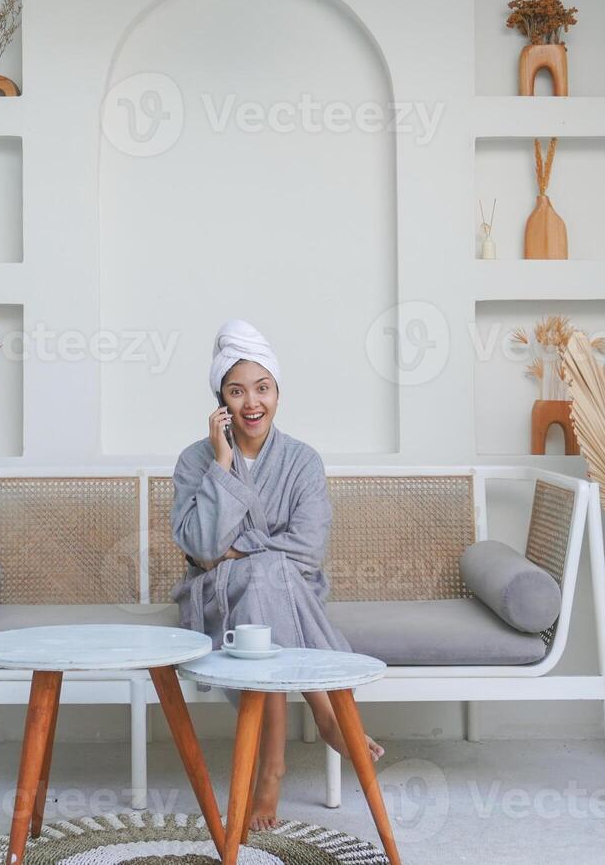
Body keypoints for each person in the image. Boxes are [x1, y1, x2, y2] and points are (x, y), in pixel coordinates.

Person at [170, 319, 385, 831]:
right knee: (266, 576)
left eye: (262, 389)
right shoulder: (195, 461)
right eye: (237, 390)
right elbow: (200, 551)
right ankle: (329, 712)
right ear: (220, 401)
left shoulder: (303, 461)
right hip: (214, 597)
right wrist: (222, 467)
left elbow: (308, 551)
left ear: (278, 394)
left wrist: (236, 554)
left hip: (291, 591)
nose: (252, 403)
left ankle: (272, 773)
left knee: (267, 581)